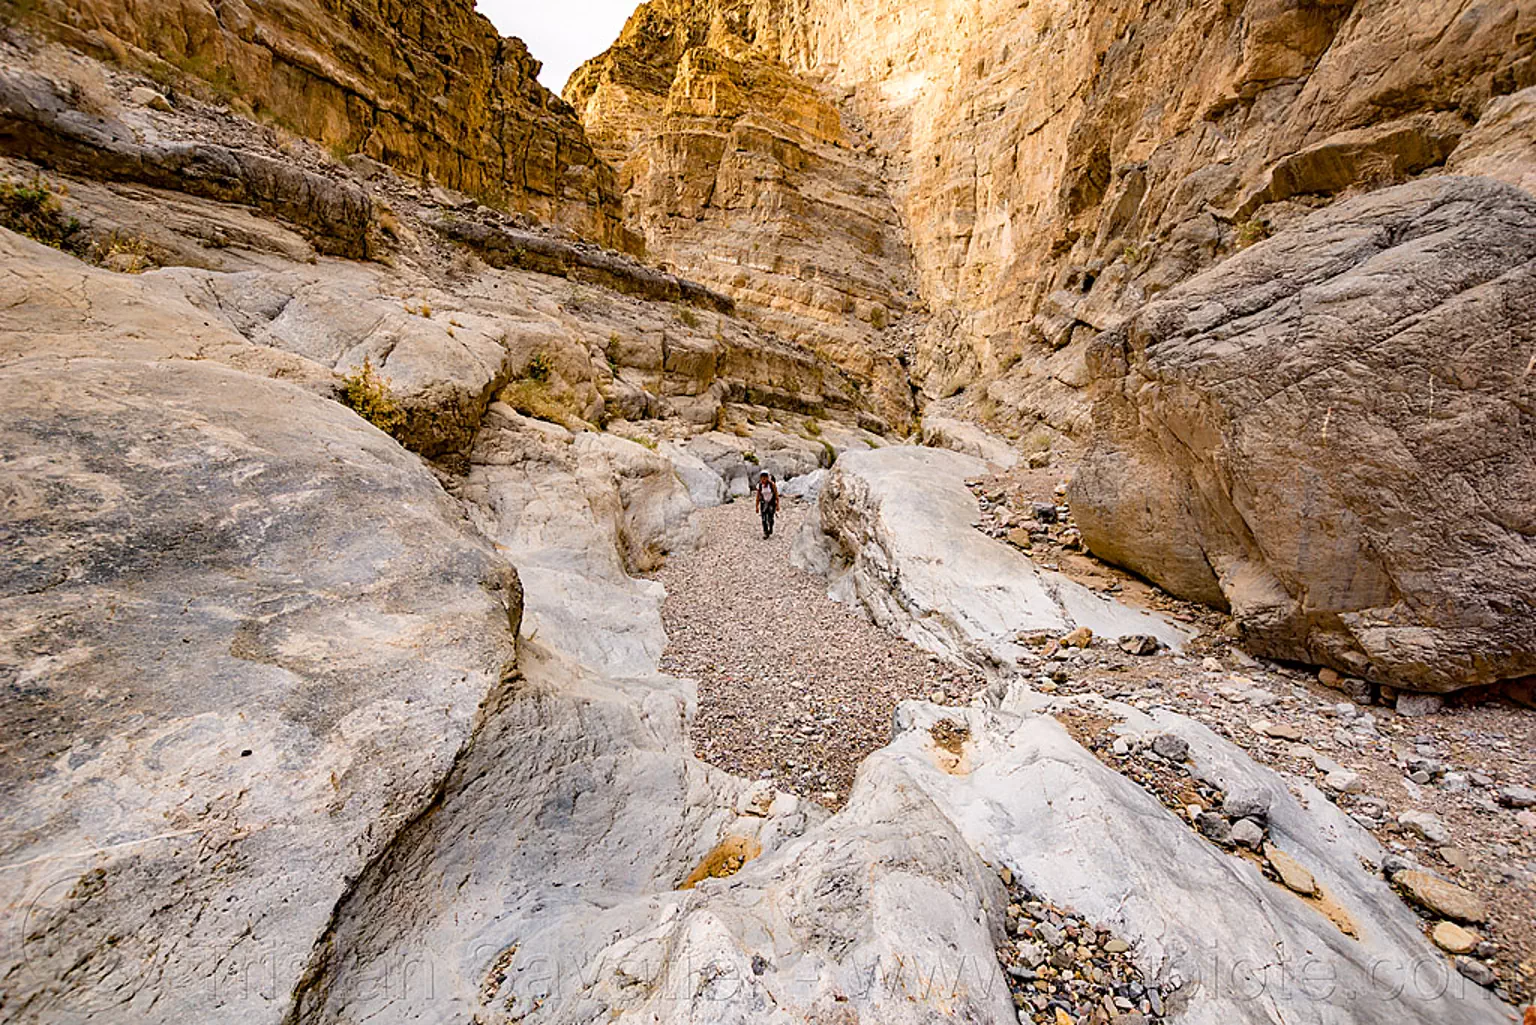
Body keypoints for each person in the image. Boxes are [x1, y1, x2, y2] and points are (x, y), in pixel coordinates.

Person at [754, 470, 779, 539]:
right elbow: (758, 496)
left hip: (771, 503)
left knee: (770, 518)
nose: (763, 479)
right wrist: (756, 506)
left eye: (765, 477)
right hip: (764, 503)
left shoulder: (772, 485)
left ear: (767, 478)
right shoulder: (760, 486)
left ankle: (770, 528)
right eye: (762, 477)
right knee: (764, 519)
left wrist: (777, 505)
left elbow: (776, 495)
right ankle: (765, 532)